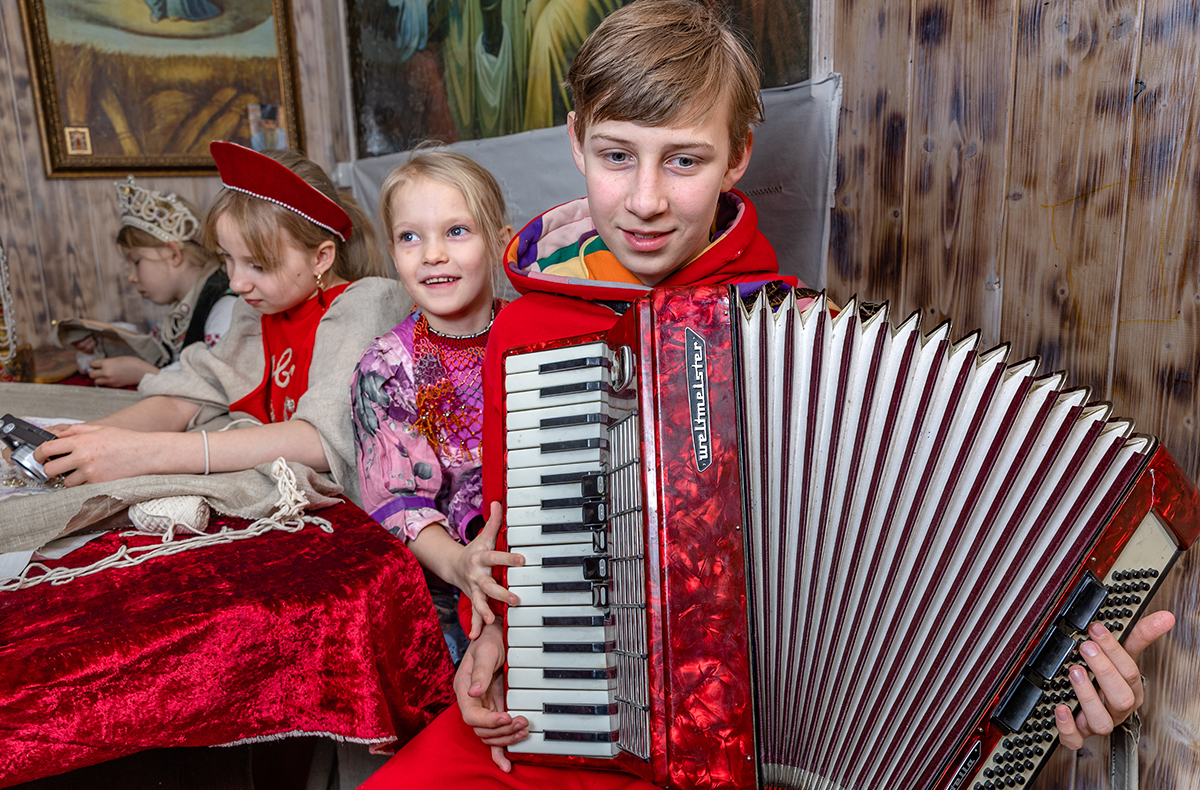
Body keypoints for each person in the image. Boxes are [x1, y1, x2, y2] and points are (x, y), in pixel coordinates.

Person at [363, 2, 1175, 787]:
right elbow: (516, 552)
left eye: (684, 160)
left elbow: (931, 556)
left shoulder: (799, 335)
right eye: (617, 156)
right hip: (583, 718)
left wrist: (1060, 671)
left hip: (763, 747)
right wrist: (500, 636)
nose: (645, 200)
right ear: (576, 142)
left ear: (737, 156)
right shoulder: (530, 331)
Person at [31, 143, 406, 507]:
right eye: (228, 258)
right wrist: (89, 437)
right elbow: (187, 396)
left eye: (258, 265)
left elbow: (320, 441)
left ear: (321, 257)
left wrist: (147, 452)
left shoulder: (365, 304)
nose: (236, 283)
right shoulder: (255, 312)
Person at [351, 150, 522, 658]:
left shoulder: (536, 338)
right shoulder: (386, 369)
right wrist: (460, 566)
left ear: (500, 241)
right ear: (392, 252)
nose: (431, 254)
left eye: (456, 231)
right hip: (451, 589)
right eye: (410, 237)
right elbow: (400, 503)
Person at [70, 177, 236, 388]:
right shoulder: (180, 313)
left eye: (136, 262)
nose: (131, 277)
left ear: (174, 254)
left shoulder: (225, 308)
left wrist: (148, 375)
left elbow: (222, 385)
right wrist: (99, 348)